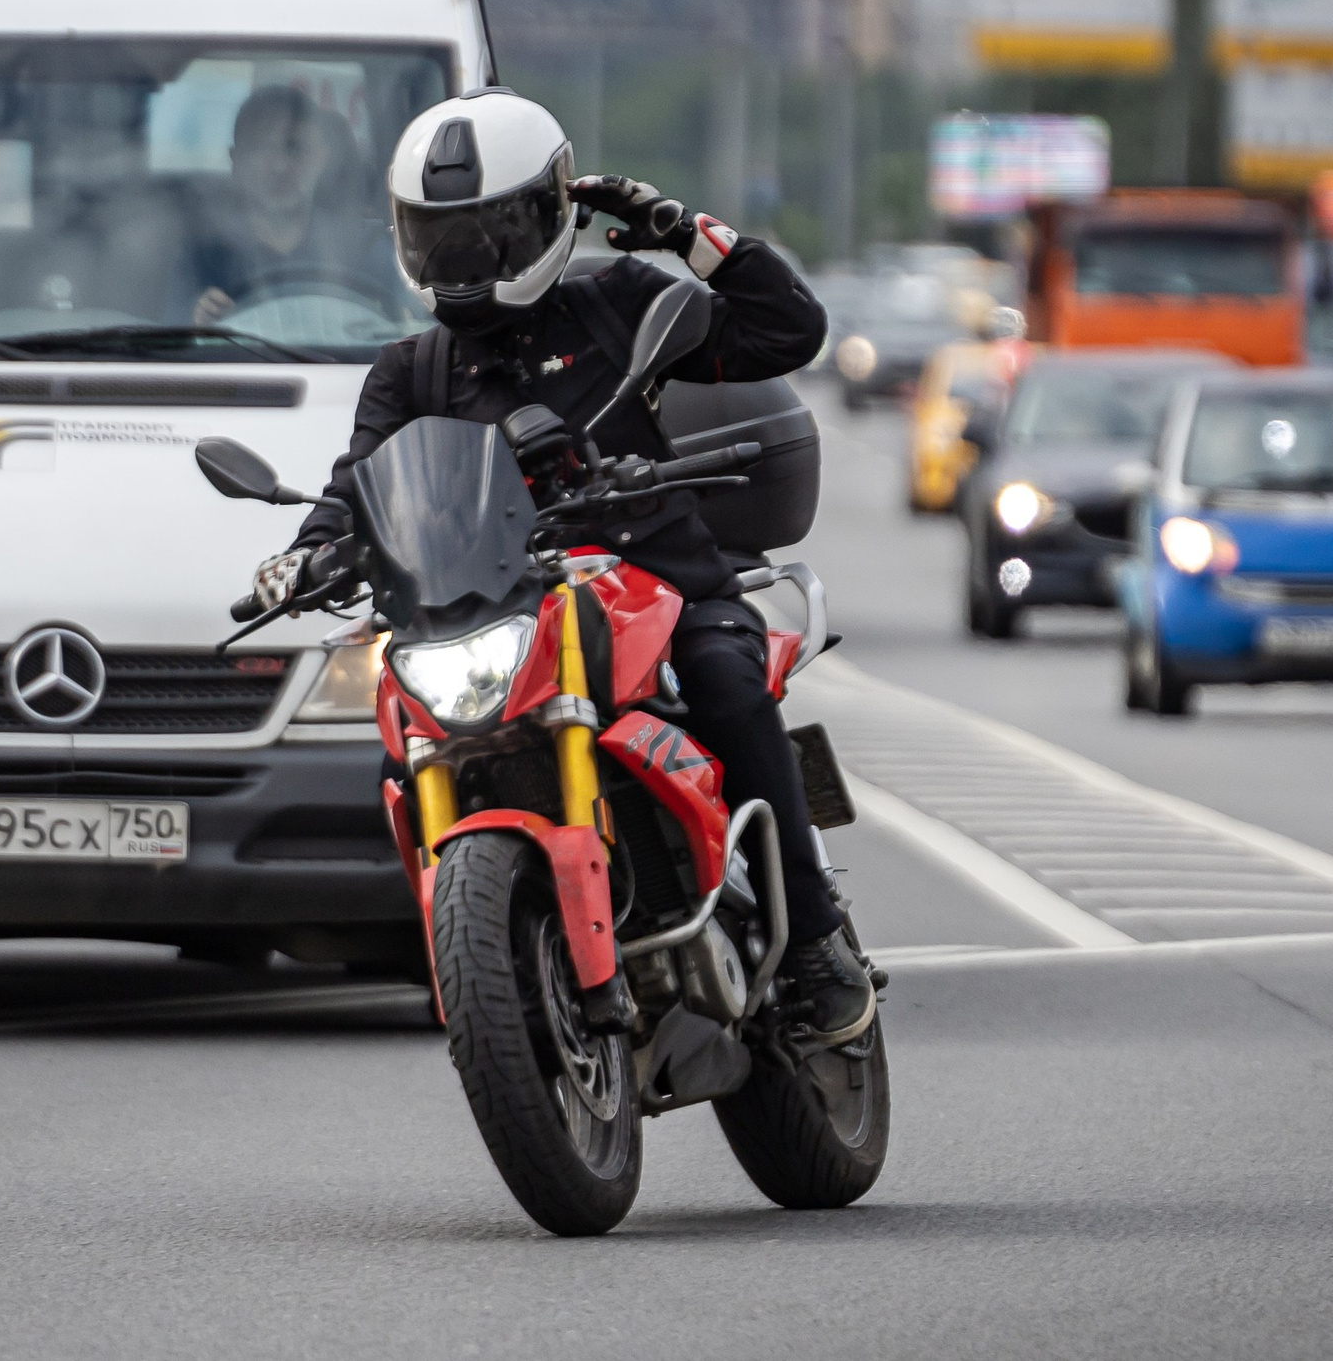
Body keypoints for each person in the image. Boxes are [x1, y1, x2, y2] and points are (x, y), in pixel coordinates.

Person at [253, 89, 881, 1042]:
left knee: (727, 680)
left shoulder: (616, 306)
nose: (466, 263)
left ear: (549, 215)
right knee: (399, 737)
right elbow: (357, 487)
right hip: (487, 609)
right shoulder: (409, 375)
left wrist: (678, 229)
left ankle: (815, 940)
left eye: (492, 233)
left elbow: (786, 331)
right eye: (441, 237)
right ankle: (480, 953)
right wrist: (304, 555)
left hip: (655, 584)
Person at [190, 86, 392, 326]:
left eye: (294, 148)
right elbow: (160, 345)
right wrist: (197, 325)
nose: (280, 166)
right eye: (262, 148)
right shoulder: (201, 254)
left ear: (321, 158)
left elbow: (415, 330)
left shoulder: (362, 247)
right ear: (236, 160)